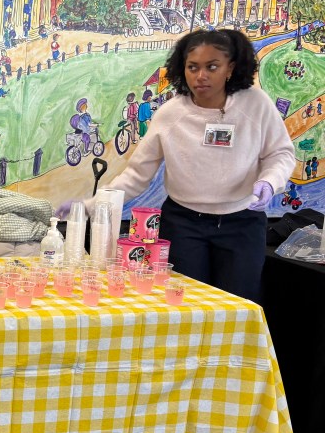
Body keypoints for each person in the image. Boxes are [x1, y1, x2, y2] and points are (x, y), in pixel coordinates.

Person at [73, 29, 295, 303]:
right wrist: (88, 206)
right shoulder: (170, 113)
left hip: (242, 223)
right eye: (193, 67)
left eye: (211, 67)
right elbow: (136, 176)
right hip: (184, 224)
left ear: (230, 68)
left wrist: (270, 181)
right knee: (183, 302)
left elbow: (281, 154)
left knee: (238, 303)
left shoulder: (256, 104)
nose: (201, 76)